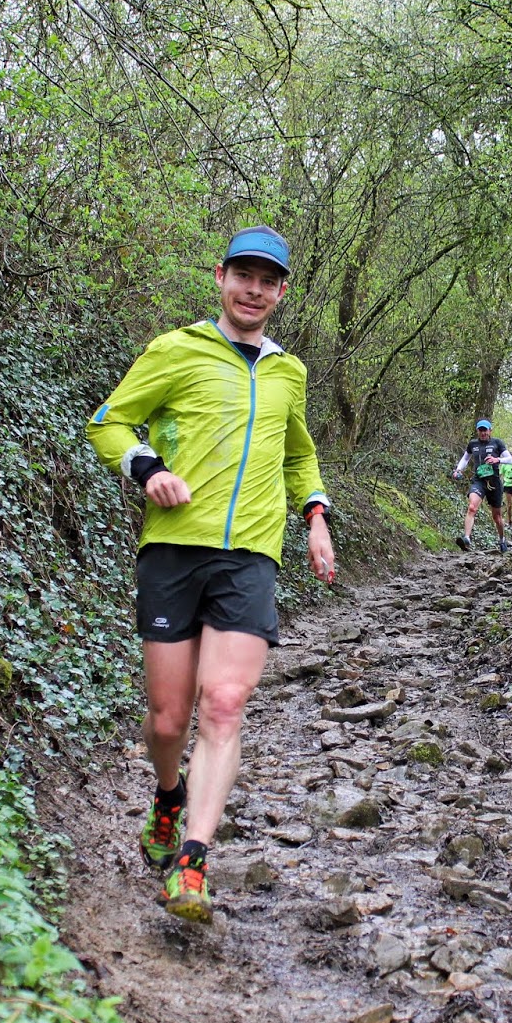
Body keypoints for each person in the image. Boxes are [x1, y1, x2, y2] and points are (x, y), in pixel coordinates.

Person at [87, 225, 335, 924]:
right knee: (168, 716)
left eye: (269, 280)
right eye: (244, 275)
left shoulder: (290, 372)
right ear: (222, 278)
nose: (254, 289)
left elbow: (299, 455)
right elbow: (109, 422)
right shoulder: (177, 350)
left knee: (223, 702)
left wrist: (314, 515)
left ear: (282, 291)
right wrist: (148, 469)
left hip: (251, 556)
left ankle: (193, 861)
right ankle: (168, 795)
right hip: (173, 548)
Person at [452, 419, 512, 553]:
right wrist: (458, 469)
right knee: (472, 507)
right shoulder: (473, 444)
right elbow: (465, 458)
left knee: (497, 517)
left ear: (490, 431)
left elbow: (510, 459)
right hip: (479, 480)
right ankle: (467, 538)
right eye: (481, 430)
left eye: (485, 430)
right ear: (477, 431)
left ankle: (502, 539)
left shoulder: (497, 443)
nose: (483, 433)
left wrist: (498, 460)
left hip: (494, 483)